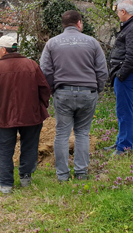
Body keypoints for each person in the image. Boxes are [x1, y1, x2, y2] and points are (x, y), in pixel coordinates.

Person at [40, 10, 108, 182]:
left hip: (63, 93)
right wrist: (96, 89)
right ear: (79, 23)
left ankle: (62, 175)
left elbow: (45, 71)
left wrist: (53, 90)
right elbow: (102, 70)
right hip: (87, 92)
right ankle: (81, 173)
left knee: (62, 134)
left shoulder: (52, 44)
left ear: (63, 24)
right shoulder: (92, 43)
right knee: (83, 133)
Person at [0, 33, 51, 194]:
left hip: (3, 117)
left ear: (4, 50)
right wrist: (40, 107)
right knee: (30, 147)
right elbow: (45, 89)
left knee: (4, 150)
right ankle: (25, 178)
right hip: (31, 116)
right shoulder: (32, 65)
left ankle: (6, 184)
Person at [106, 0, 133, 156]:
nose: (117, 15)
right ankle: (120, 141)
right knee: (121, 110)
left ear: (123, 12)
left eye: (118, 12)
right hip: (124, 74)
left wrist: (121, 74)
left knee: (125, 111)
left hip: (127, 75)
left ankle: (124, 147)